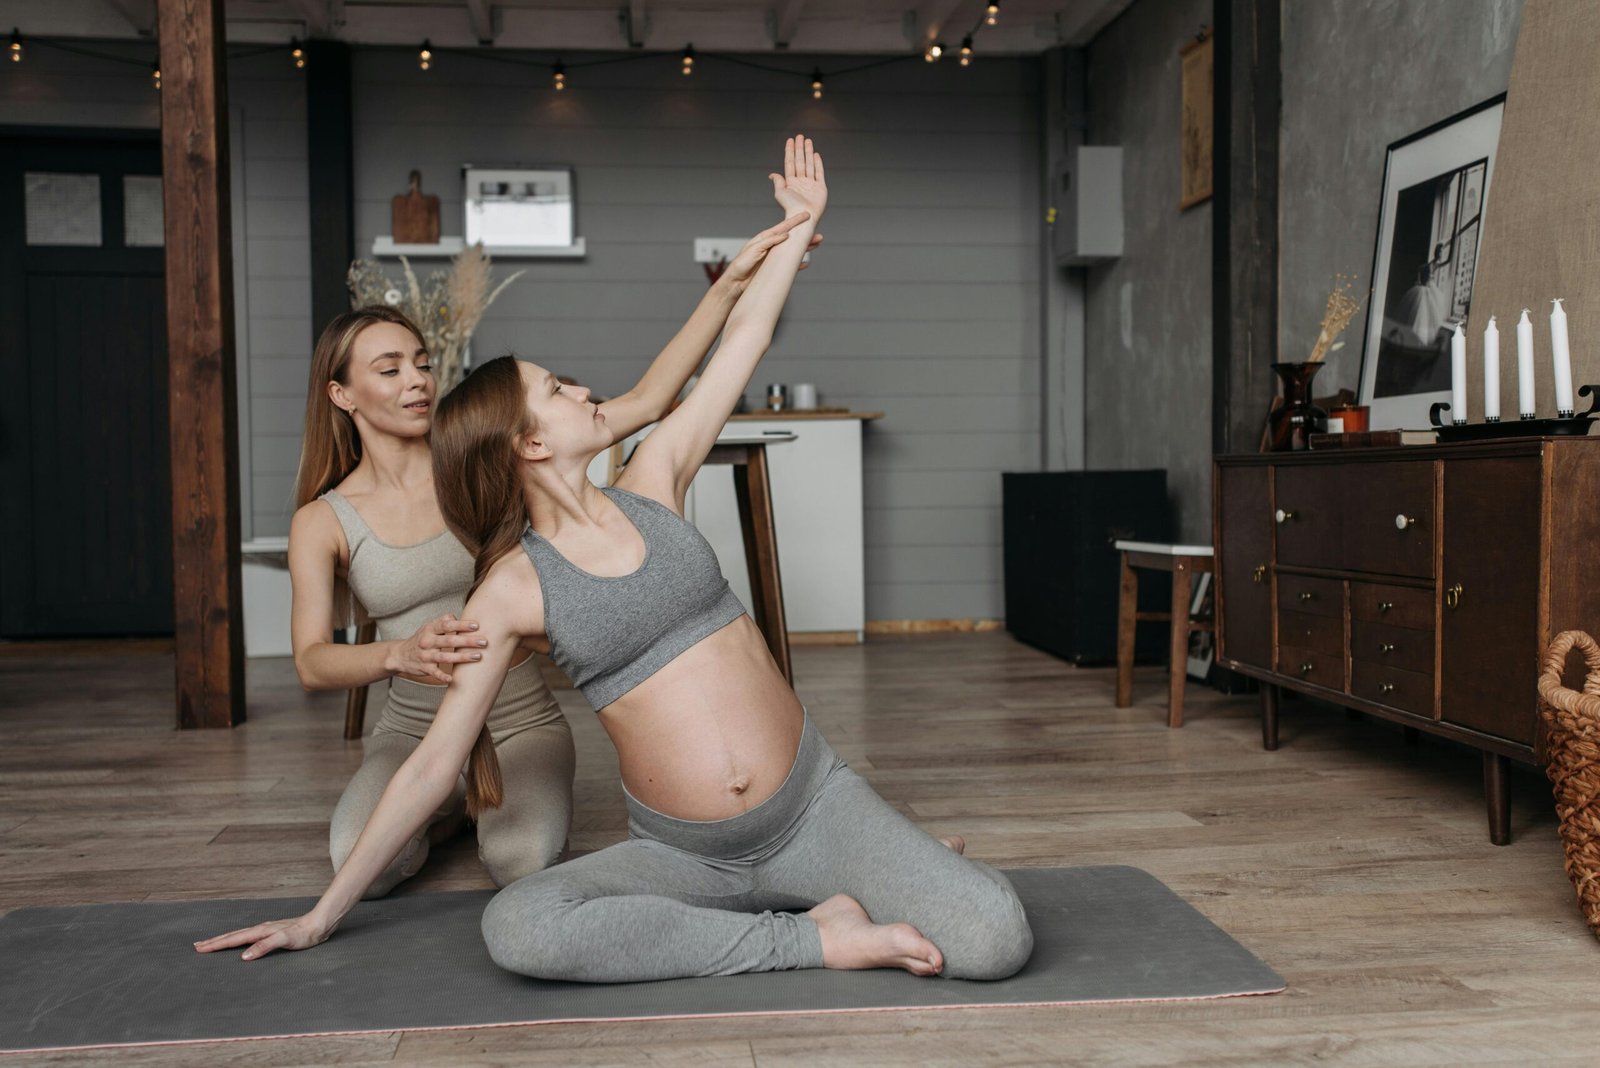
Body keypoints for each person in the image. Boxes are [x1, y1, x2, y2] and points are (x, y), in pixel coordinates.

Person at [199, 136, 1033, 983]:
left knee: (998, 937)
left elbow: (737, 350)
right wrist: (318, 916)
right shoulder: (512, 589)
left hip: (814, 805)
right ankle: (818, 933)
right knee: (520, 924)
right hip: (685, 855)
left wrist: (794, 233)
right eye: (559, 390)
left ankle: (864, 868)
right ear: (526, 443)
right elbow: (432, 766)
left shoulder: (655, 479)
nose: (585, 391)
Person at [281, 213, 818, 896]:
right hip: (413, 728)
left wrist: (726, 288)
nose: (416, 380)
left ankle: (465, 808)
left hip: (517, 719)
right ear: (340, 393)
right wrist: (398, 654)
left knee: (522, 863)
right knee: (364, 861)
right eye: (388, 370)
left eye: (421, 362)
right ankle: (440, 807)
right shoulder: (322, 518)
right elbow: (309, 661)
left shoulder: (482, 456)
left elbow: (650, 400)